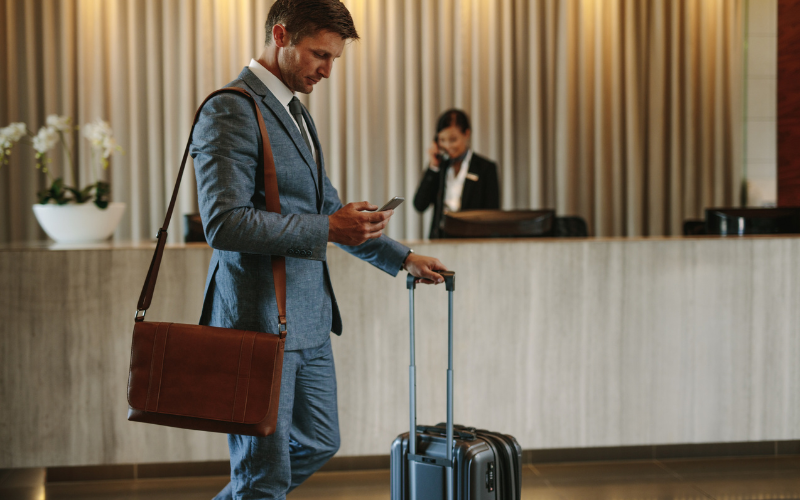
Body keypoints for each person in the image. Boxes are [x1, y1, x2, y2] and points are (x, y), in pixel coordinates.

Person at [189, 1, 447, 498]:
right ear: (281, 36)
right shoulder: (231, 106)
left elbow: (325, 207)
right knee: (263, 475)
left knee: (320, 443)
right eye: (319, 55)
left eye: (335, 59)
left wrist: (403, 258)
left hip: (308, 319)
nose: (328, 71)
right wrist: (328, 227)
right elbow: (223, 223)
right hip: (259, 321)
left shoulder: (295, 112)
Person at [413, 109, 500, 238]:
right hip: (441, 239)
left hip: (473, 239)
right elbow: (419, 205)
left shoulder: (485, 168)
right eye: (442, 140)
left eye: (453, 140)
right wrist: (433, 167)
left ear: (466, 134)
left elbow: (492, 214)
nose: (448, 146)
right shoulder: (439, 167)